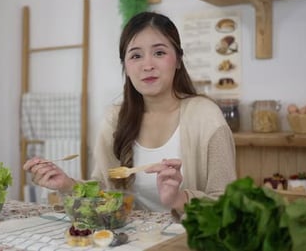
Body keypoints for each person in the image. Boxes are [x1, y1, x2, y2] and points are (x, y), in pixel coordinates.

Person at [23, 11, 236, 215]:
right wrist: (67, 185)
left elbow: (227, 203)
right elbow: (105, 192)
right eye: (136, 56)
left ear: (178, 60)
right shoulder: (114, 119)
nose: (148, 65)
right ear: (125, 65)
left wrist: (179, 199)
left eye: (159, 53)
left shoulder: (206, 116)